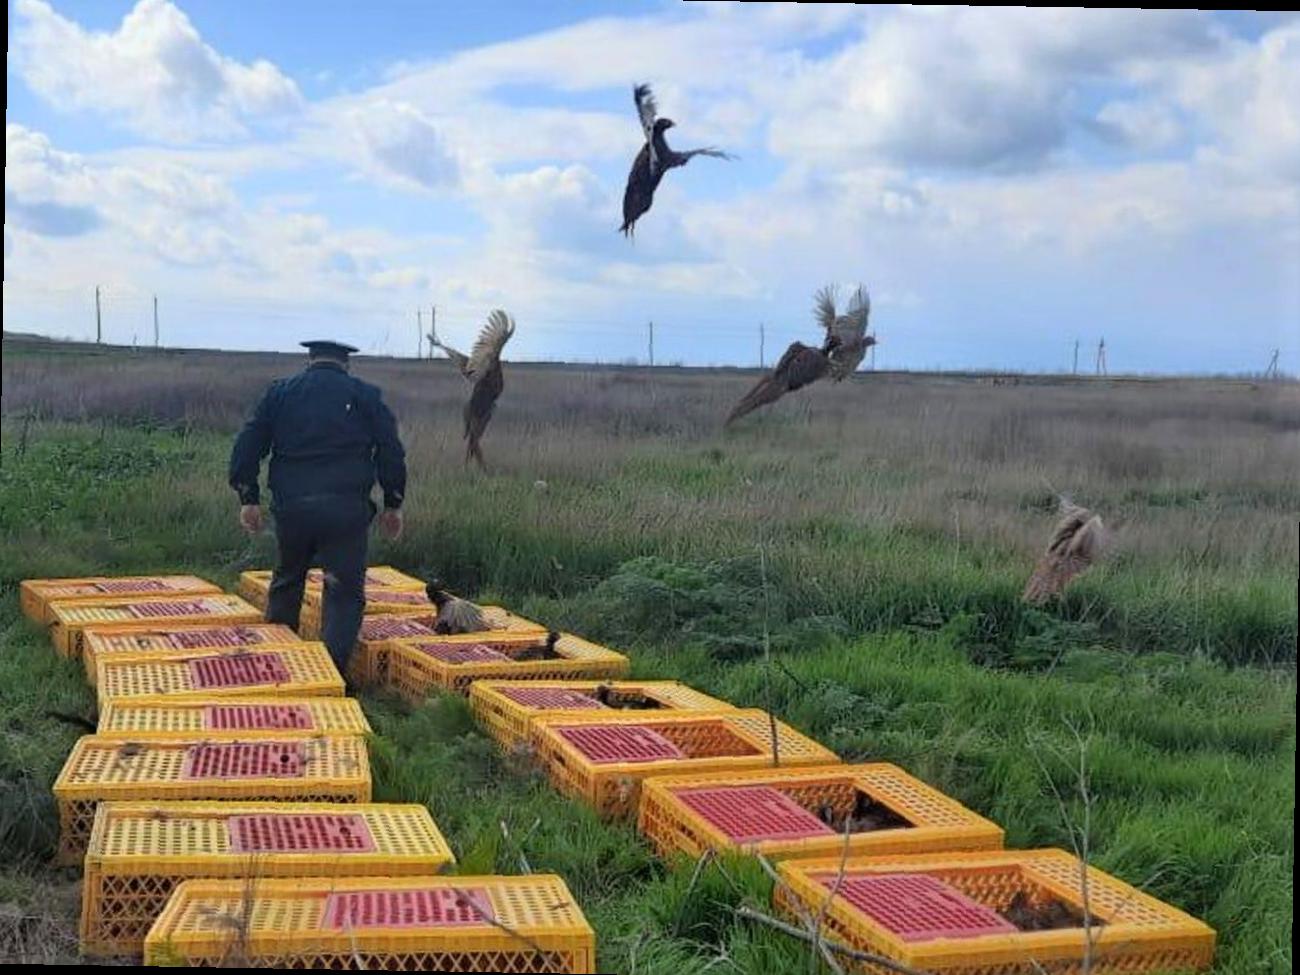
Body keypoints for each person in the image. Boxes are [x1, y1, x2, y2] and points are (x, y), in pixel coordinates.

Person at [228, 340, 406, 674]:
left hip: (293, 507)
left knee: (288, 580)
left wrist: (247, 497)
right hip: (346, 510)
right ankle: (330, 673)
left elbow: (248, 444)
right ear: (346, 364)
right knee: (343, 591)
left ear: (309, 360)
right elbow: (390, 451)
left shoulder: (280, 393)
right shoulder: (366, 396)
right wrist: (393, 503)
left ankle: (276, 667)